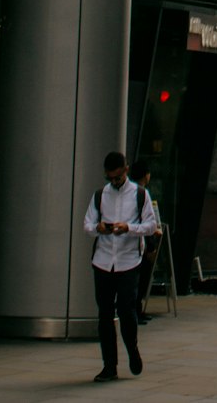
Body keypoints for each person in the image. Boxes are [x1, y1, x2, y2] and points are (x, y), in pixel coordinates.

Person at [83, 151, 156, 384]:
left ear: (125, 170)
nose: (113, 182)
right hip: (103, 261)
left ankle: (132, 350)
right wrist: (100, 228)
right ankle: (109, 366)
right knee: (104, 314)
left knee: (126, 311)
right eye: (109, 178)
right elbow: (87, 225)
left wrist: (129, 228)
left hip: (128, 261)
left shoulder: (140, 195)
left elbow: (151, 225)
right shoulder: (99, 196)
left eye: (116, 177)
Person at [127, 161, 162, 325]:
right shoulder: (141, 194)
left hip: (132, 243)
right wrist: (151, 245)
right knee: (140, 280)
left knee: (137, 281)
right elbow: (146, 222)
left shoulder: (130, 193)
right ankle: (135, 311)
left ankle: (136, 310)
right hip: (140, 243)